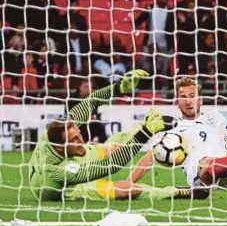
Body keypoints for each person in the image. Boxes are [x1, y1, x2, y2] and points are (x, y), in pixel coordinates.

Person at [29, 70, 199, 201]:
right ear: (60, 146)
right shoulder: (56, 172)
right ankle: (175, 191)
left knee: (115, 148)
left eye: (79, 134)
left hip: (68, 158)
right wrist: (146, 133)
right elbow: (111, 166)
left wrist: (119, 88)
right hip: (63, 188)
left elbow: (91, 101)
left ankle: (144, 124)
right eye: (75, 140)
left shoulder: (58, 130)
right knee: (128, 189)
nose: (82, 140)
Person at [129, 77, 227, 194]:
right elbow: (149, 157)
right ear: (177, 103)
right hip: (201, 180)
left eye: (192, 96)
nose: (188, 100)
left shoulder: (217, 116)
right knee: (206, 162)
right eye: (183, 97)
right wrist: (129, 183)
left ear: (200, 100)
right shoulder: (173, 129)